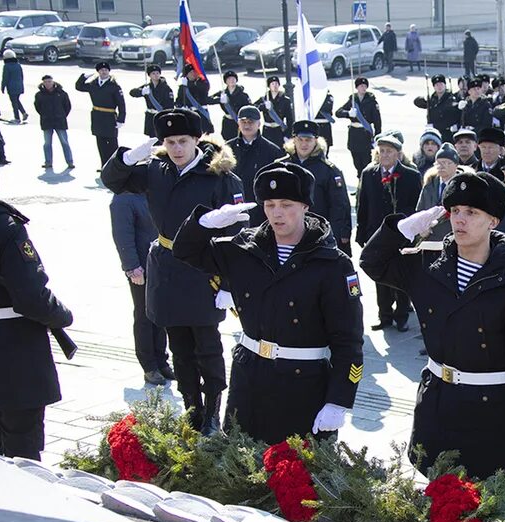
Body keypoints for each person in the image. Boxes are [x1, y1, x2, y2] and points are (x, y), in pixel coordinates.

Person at [360, 172, 505, 480]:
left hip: (491, 413)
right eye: (455, 212)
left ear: (493, 221)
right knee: (433, 504)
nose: (460, 220)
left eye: (472, 212)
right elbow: (372, 263)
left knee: (487, 513)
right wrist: (401, 230)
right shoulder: (427, 264)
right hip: (437, 403)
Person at [173, 161, 363, 445]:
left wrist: (339, 401)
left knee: (294, 478)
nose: (277, 213)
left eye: (286, 204)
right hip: (249, 379)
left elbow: (348, 342)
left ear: (305, 207)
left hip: (302, 386)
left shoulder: (333, 265)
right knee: (238, 467)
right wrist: (204, 223)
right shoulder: (246, 249)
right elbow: (185, 251)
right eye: (270, 204)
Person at [101, 109, 245, 436]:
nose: (177, 148)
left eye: (183, 141)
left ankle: (211, 413)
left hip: (203, 269)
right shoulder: (156, 169)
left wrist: (229, 283)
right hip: (165, 266)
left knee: (207, 346)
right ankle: (192, 409)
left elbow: (239, 232)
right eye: (170, 142)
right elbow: (112, 181)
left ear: (197, 140)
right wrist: (125, 158)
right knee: (179, 346)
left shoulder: (220, 177)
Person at [0, 199, 73, 461]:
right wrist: (61, 315)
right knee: (22, 455)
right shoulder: (5, 225)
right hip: (12, 354)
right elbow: (31, 298)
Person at [355, 132, 422, 331]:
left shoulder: (411, 175)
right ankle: (384, 315)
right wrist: (361, 233)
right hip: (377, 234)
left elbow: (415, 207)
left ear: (398, 154)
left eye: (389, 151)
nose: (384, 155)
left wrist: (412, 231)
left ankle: (401, 316)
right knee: (379, 275)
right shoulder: (369, 174)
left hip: (401, 235)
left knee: (401, 274)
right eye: (381, 151)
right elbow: (363, 205)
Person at [109, 192, 170, 385]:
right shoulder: (122, 199)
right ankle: (149, 365)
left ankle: (162, 360)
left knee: (160, 314)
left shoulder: (151, 191)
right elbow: (122, 235)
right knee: (144, 315)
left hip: (160, 264)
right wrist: (132, 267)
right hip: (141, 268)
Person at [284, 121, 353, 257]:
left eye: (308, 140)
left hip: (318, 232)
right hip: (287, 230)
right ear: (294, 140)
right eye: (300, 139)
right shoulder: (282, 165)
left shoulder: (329, 170)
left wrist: (341, 234)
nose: (304, 144)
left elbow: (339, 205)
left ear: (316, 141)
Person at [227, 105, 281, 228]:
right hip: (233, 207)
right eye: (243, 121)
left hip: (261, 208)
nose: (247, 125)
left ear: (259, 124)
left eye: (251, 122)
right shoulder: (227, 149)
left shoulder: (272, 151)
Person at [75, 62, 125, 169]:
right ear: (98, 72)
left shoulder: (114, 86)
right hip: (97, 116)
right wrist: (83, 77)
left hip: (109, 116)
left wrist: (121, 119)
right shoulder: (94, 84)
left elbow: (121, 104)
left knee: (112, 144)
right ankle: (104, 166)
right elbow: (79, 87)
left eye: (106, 70)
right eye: (101, 70)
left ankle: (115, 167)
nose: (104, 72)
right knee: (101, 143)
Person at [416, 142, 467, 242]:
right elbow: (420, 210)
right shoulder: (429, 184)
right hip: (429, 239)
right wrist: (421, 228)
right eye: (439, 163)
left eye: (447, 163)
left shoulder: (462, 186)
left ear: (456, 165)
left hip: (453, 239)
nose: (441, 166)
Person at [335, 77, 381, 178]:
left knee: (365, 161)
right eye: (361, 86)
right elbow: (338, 112)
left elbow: (377, 120)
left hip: (365, 133)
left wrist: (378, 136)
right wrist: (348, 113)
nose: (363, 88)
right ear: (357, 87)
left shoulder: (371, 101)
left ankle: (364, 184)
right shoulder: (352, 100)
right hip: (354, 134)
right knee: (356, 161)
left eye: (365, 86)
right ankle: (359, 181)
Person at [34, 75, 73, 171]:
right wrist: (44, 115)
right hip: (46, 121)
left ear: (53, 82)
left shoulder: (61, 93)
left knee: (64, 142)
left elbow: (67, 106)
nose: (48, 84)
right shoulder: (39, 95)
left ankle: (70, 161)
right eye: (46, 82)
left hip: (60, 121)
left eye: (49, 81)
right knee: (47, 143)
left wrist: (62, 115)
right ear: (43, 83)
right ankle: (48, 162)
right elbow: (38, 107)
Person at [128, 64, 174, 138]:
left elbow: (170, 104)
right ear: (149, 75)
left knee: (161, 139)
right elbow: (132, 93)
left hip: (161, 116)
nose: (156, 75)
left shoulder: (166, 88)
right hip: (151, 117)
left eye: (157, 73)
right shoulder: (147, 87)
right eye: (153, 73)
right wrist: (141, 91)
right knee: (151, 140)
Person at [413, 74, 459, 142]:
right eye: (437, 85)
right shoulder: (432, 99)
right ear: (434, 87)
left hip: (448, 132)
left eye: (441, 84)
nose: (439, 87)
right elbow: (417, 102)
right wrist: (423, 99)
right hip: (435, 132)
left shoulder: (452, 98)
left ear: (445, 85)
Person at [211, 70, 251, 142]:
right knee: (227, 142)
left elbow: (249, 108)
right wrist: (219, 100)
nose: (231, 81)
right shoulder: (222, 93)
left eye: (233, 79)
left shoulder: (243, 95)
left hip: (238, 122)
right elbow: (207, 100)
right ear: (225, 82)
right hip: (227, 122)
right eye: (229, 79)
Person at [175, 63, 214, 134]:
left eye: (194, 71)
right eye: (191, 72)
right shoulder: (182, 87)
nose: (193, 73)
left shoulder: (202, 83)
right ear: (186, 75)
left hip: (201, 113)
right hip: (190, 114)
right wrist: (181, 107)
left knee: (204, 134)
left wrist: (188, 84)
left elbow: (203, 90)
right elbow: (178, 100)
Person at [257, 76, 292, 149]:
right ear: (269, 86)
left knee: (279, 151)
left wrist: (287, 135)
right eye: (272, 84)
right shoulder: (264, 99)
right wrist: (263, 106)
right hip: (267, 130)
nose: (275, 86)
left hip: (279, 130)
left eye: (276, 83)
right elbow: (254, 109)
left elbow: (290, 119)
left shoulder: (285, 100)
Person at [1, 50, 26, 124]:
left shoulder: (6, 66)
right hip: (19, 85)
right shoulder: (18, 65)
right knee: (17, 100)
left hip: (11, 87)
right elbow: (22, 76)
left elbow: (5, 78)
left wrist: (3, 87)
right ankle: (24, 113)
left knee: (14, 103)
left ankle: (17, 118)